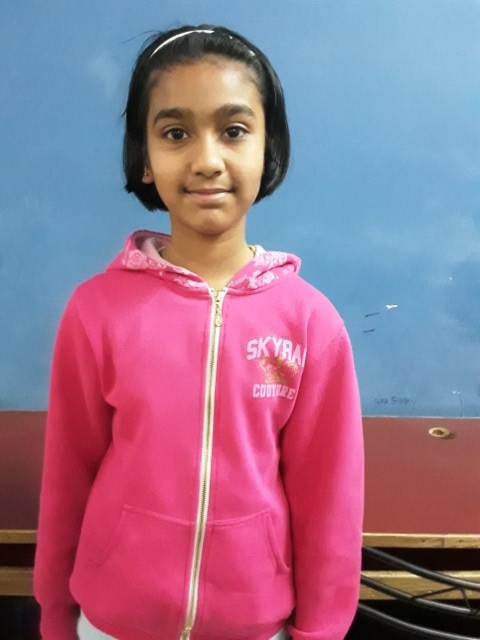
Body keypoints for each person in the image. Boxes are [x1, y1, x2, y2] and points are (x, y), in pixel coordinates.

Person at [34, 24, 364, 640]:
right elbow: (66, 478)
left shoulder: (310, 324)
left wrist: (320, 631)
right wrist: (55, 616)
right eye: (175, 133)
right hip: (112, 624)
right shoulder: (95, 312)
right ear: (144, 157)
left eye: (234, 130)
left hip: (254, 626)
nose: (207, 160)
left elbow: (330, 504)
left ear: (268, 148)